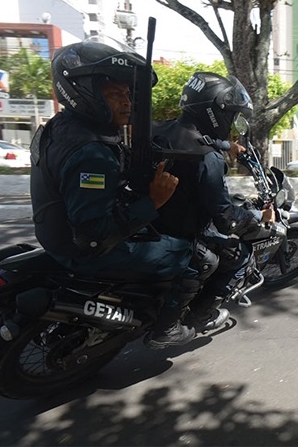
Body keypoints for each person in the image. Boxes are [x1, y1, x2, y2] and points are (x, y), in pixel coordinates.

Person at [30, 39, 203, 349]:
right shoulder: (92, 153)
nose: (126, 103)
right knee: (190, 256)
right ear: (83, 91)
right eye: (113, 94)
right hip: (79, 251)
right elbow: (94, 235)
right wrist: (153, 201)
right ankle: (166, 328)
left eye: (126, 94)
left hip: (52, 233)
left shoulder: (62, 126)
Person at [151, 72, 275, 331]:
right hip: (182, 228)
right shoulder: (208, 159)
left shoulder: (159, 129)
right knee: (237, 254)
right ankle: (195, 318)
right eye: (230, 114)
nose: (231, 121)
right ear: (213, 113)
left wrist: (226, 145)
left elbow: (196, 139)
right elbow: (226, 218)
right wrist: (258, 218)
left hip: (152, 220)